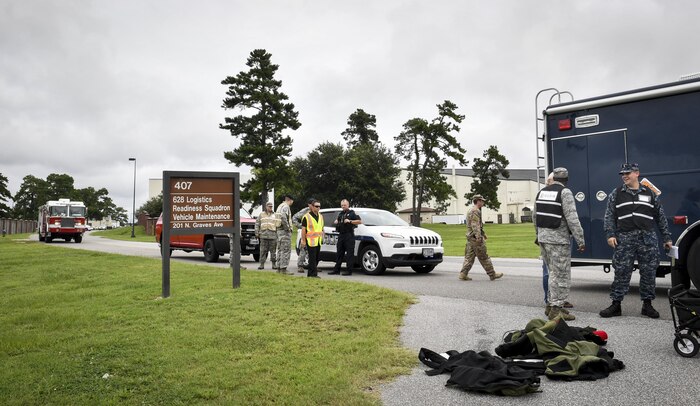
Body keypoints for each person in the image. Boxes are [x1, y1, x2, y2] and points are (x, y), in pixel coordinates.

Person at [599, 163, 673, 319]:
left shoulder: (650, 193)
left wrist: (666, 237)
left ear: (637, 173)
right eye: (622, 174)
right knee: (621, 272)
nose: (624, 176)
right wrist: (610, 234)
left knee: (649, 272)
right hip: (624, 239)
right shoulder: (616, 193)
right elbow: (609, 216)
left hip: (647, 240)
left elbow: (660, 217)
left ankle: (647, 305)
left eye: (628, 173)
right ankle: (616, 305)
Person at [534, 167, 585, 321]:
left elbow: (535, 217)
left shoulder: (541, 192)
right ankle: (557, 309)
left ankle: (550, 305)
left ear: (554, 178)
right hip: (558, 240)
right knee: (561, 275)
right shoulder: (565, 192)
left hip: (543, 238)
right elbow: (572, 218)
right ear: (566, 179)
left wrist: (538, 235)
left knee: (552, 274)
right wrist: (580, 240)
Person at [459, 195, 504, 281]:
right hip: (475, 238)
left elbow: (477, 225)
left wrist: (483, 233)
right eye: (482, 201)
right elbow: (475, 225)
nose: (483, 202)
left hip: (471, 238)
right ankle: (492, 274)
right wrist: (479, 237)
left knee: (469, 257)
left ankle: (463, 274)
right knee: (484, 257)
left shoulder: (472, 210)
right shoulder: (475, 211)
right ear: (478, 201)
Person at [329, 199, 362, 276]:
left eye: (345, 205)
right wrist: (336, 221)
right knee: (339, 253)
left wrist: (350, 221)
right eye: (342, 205)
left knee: (349, 254)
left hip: (349, 235)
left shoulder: (352, 213)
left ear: (348, 205)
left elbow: (359, 221)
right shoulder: (340, 213)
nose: (343, 206)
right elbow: (338, 221)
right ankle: (336, 270)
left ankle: (349, 270)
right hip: (341, 235)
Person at [301, 200, 324, 278]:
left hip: (318, 240)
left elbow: (321, 227)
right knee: (312, 258)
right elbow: (303, 229)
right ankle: (312, 274)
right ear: (312, 207)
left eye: (319, 206)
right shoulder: (306, 217)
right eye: (316, 206)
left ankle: (311, 273)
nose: (318, 208)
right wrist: (303, 240)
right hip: (310, 241)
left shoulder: (320, 216)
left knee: (317, 257)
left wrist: (323, 236)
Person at [292, 198, 316, 273]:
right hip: (305, 233)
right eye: (312, 204)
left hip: (313, 234)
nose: (314, 206)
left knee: (313, 251)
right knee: (303, 250)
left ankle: (313, 266)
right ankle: (300, 265)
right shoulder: (305, 211)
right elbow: (294, 218)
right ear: (309, 205)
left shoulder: (316, 211)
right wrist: (300, 226)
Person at [255, 201, 277, 270]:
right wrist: (257, 232)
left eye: (271, 206)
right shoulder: (261, 214)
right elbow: (257, 223)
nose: (270, 208)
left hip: (272, 236)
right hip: (263, 235)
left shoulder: (275, 215)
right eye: (269, 206)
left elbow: (278, 225)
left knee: (273, 251)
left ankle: (274, 264)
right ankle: (262, 264)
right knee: (262, 251)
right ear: (266, 207)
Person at [275, 194, 294, 274]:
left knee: (280, 250)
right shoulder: (286, 206)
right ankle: (283, 269)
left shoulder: (280, 206)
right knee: (285, 250)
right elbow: (283, 217)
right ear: (290, 200)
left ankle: (279, 268)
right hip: (284, 231)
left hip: (279, 231)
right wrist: (287, 228)